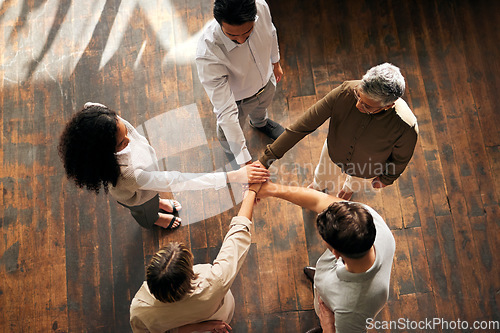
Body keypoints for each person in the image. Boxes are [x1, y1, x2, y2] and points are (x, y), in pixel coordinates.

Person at [58, 102, 269, 229]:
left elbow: (88, 106)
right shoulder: (132, 174)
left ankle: (158, 204)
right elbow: (178, 180)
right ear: (105, 153)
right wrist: (234, 176)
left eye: (125, 131)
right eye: (122, 143)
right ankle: (154, 218)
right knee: (145, 210)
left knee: (154, 194)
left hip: (148, 182)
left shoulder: (99, 115)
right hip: (136, 196)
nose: (129, 140)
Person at [259, 63, 418, 200]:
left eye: (367, 106)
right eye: (358, 96)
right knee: (322, 175)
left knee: (355, 182)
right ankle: (319, 186)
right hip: (333, 151)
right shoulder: (345, 91)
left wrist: (386, 179)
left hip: (367, 167)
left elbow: (401, 158)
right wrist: (266, 159)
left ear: (387, 106)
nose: (358, 105)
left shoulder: (406, 126)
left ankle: (348, 189)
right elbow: (302, 126)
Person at [256, 181, 396, 332]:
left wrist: (328, 326)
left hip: (331, 310)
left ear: (335, 253)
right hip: (330, 284)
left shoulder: (351, 310)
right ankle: (319, 280)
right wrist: (271, 188)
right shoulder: (366, 220)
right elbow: (319, 200)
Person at [129, 183, 261, 332]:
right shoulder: (216, 280)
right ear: (190, 272)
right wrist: (252, 191)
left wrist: (197, 328)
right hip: (218, 317)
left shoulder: (139, 309)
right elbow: (238, 235)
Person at [196, 0, 285, 168]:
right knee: (228, 133)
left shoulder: (261, 7)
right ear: (219, 21)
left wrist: (276, 62)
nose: (242, 40)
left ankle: (260, 123)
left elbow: (271, 32)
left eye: (248, 32)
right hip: (237, 102)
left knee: (261, 108)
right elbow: (226, 112)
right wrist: (245, 160)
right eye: (232, 36)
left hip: (266, 83)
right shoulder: (207, 53)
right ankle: (232, 151)